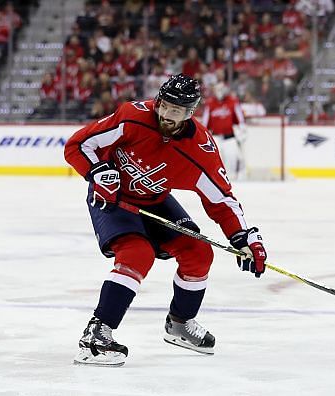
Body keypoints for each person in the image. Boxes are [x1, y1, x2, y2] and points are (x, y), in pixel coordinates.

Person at [64, 74, 268, 366]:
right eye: (164, 105)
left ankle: (180, 323)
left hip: (155, 201)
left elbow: (222, 201)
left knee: (198, 252)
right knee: (137, 253)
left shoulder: (200, 151)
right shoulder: (132, 117)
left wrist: (243, 236)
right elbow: (77, 145)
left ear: (190, 113)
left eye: (177, 110)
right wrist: (97, 172)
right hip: (114, 197)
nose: (166, 114)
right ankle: (97, 336)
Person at [201, 82, 248, 180]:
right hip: (216, 137)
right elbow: (205, 123)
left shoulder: (233, 102)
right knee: (215, 160)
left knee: (232, 158)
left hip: (229, 137)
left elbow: (240, 119)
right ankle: (217, 179)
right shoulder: (210, 103)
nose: (219, 92)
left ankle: (233, 178)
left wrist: (242, 131)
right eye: (217, 89)